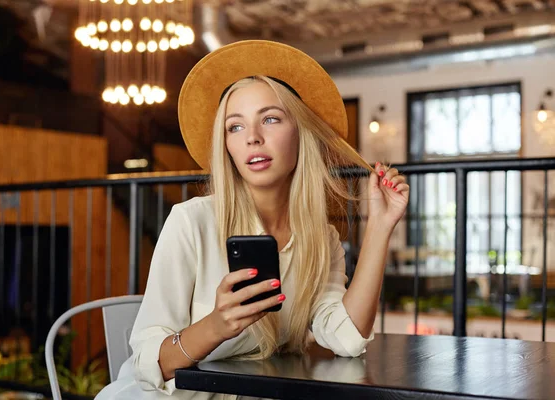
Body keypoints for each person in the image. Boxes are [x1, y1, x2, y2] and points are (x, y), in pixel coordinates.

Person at [95, 40, 409, 400]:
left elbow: (348, 339)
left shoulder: (320, 239)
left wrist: (381, 227)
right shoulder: (190, 222)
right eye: (235, 127)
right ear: (225, 143)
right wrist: (215, 325)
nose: (253, 138)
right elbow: (147, 364)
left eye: (270, 119)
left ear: (301, 132)